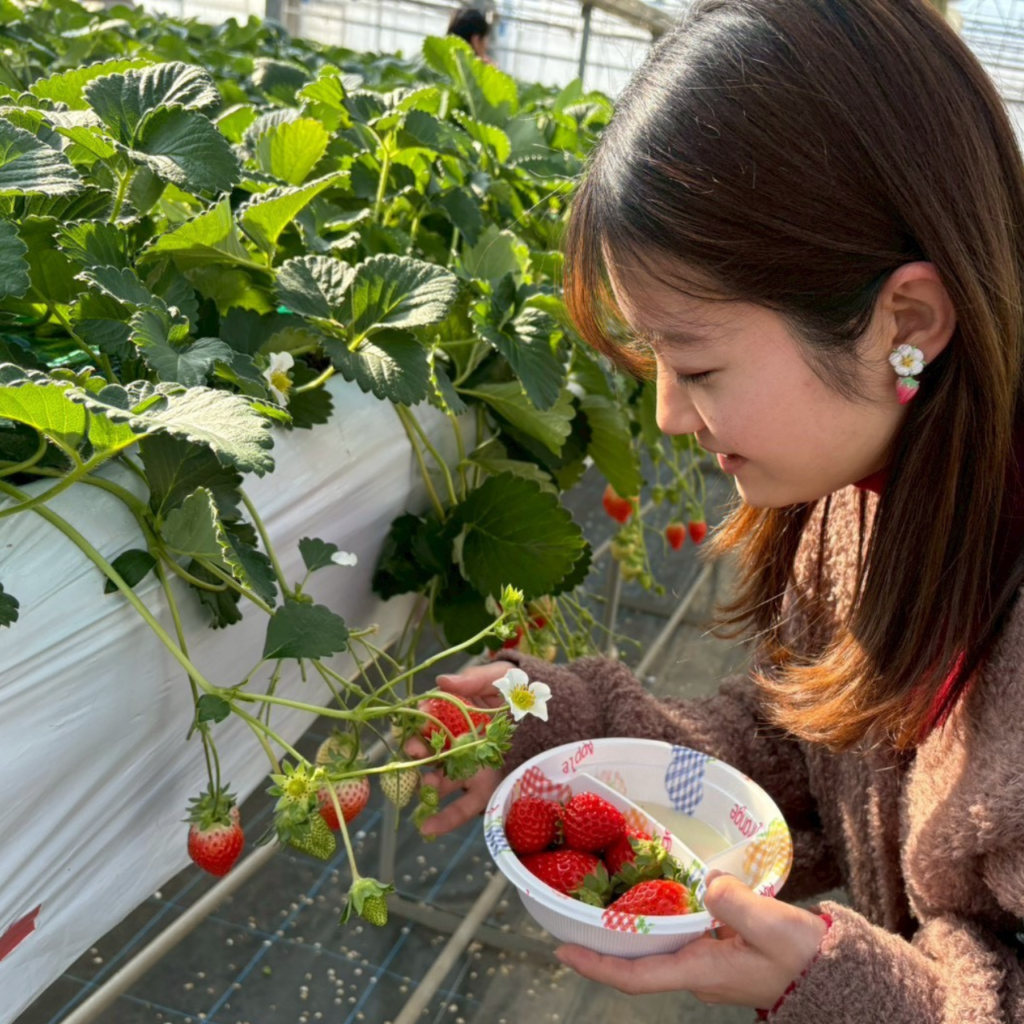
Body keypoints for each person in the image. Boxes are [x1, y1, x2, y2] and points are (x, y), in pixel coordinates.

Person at [408, 0, 1024, 1019]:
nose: (665, 411)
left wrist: (868, 995)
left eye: (694, 362)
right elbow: (813, 751)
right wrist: (569, 730)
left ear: (903, 323)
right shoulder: (865, 490)